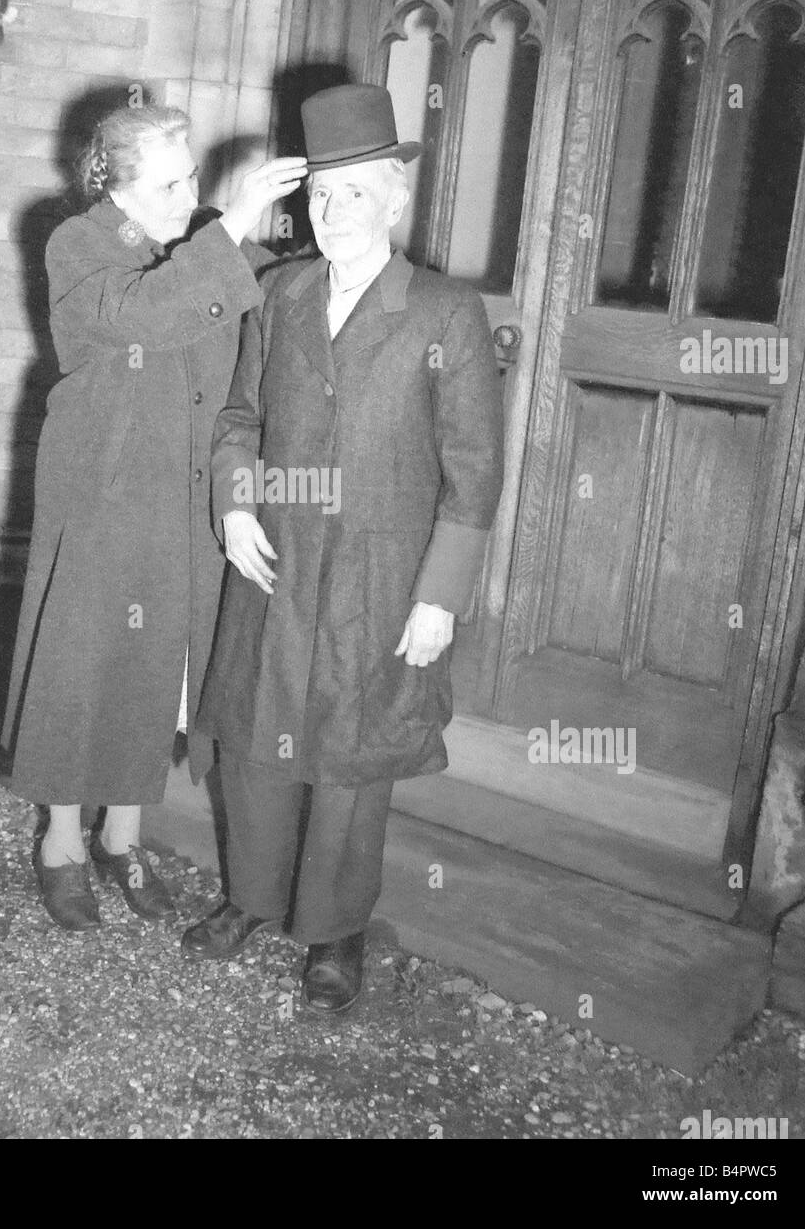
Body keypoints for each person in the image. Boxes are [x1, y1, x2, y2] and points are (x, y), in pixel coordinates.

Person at [182, 84, 504, 1012]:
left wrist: (439, 596)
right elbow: (239, 418)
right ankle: (250, 895)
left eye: (355, 194)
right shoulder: (277, 295)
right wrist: (235, 508)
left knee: (353, 758)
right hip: (275, 560)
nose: (333, 214)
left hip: (380, 575)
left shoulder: (444, 313)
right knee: (253, 742)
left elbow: (473, 470)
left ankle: (332, 931)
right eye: (320, 196)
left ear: (395, 201)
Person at [2, 103, 306, 930]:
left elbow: (290, 300)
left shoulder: (211, 241)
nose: (188, 194)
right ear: (117, 185)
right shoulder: (80, 243)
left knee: (165, 669)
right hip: (104, 490)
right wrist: (234, 222)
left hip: (188, 490)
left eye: (193, 179)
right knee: (85, 661)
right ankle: (61, 843)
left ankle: (121, 838)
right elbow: (142, 313)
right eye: (168, 183)